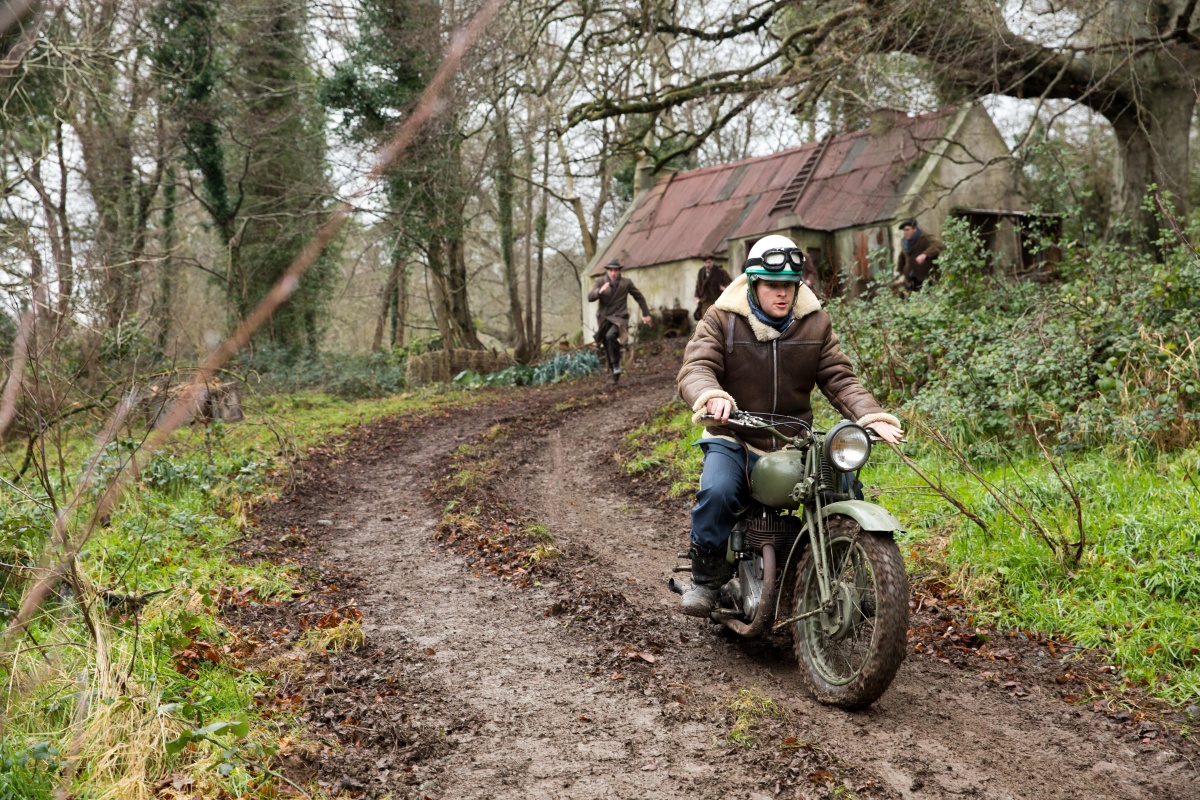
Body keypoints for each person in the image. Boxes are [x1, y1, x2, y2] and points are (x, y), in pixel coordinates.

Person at [675, 234, 904, 616]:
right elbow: (697, 367)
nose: (782, 294)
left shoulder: (814, 324)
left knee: (844, 487)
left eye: (788, 286)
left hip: (793, 441)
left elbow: (839, 377)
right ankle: (707, 579)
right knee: (717, 492)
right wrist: (711, 396)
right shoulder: (721, 320)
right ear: (752, 283)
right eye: (772, 285)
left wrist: (871, 416)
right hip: (735, 435)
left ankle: (844, 574)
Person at [587, 258, 652, 382]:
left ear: (619, 271)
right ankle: (614, 371)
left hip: (619, 317)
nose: (613, 273)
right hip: (604, 318)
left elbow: (639, 297)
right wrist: (599, 292)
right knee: (606, 342)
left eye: (615, 270)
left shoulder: (626, 283)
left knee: (611, 336)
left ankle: (616, 364)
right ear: (607, 271)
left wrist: (646, 314)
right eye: (611, 270)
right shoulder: (600, 281)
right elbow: (589, 297)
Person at [896, 218, 943, 292]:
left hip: (925, 276)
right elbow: (902, 255)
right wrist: (899, 270)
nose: (905, 232)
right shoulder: (904, 242)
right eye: (904, 230)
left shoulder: (924, 238)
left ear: (915, 229)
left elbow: (939, 245)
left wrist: (925, 254)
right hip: (910, 277)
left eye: (907, 230)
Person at [692, 254, 732, 320]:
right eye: (706, 263)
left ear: (713, 261)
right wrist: (696, 295)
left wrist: (724, 288)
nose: (707, 265)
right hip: (704, 300)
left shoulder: (720, 272)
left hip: (716, 299)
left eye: (709, 262)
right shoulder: (701, 272)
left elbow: (730, 283)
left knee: (717, 319)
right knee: (705, 319)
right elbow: (698, 284)